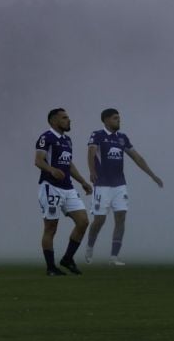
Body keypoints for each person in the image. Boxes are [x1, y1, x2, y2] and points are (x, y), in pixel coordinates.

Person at [83, 108, 164, 265]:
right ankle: (89, 247)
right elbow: (91, 152)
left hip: (120, 185)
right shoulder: (97, 135)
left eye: (119, 118)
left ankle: (114, 257)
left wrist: (152, 175)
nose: (118, 121)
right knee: (99, 220)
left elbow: (137, 157)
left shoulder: (122, 138)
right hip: (102, 185)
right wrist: (92, 171)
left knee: (121, 218)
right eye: (115, 118)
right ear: (106, 120)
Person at [35, 108, 92, 275]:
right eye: (65, 118)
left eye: (68, 117)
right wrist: (51, 170)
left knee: (83, 222)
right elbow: (38, 160)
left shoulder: (67, 140)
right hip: (50, 187)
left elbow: (69, 164)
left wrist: (82, 181)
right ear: (54, 121)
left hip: (68, 188)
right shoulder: (46, 137)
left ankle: (67, 259)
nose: (69, 120)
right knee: (51, 228)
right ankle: (51, 268)